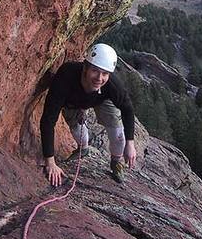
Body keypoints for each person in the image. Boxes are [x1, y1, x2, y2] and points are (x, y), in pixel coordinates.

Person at [40, 43, 136, 186]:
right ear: (85, 67)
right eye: (95, 71)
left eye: (105, 74)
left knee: (117, 133)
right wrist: (50, 162)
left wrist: (130, 143)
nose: (99, 78)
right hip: (72, 101)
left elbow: (127, 110)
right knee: (78, 130)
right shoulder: (66, 76)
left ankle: (116, 162)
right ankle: (83, 149)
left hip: (102, 98)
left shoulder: (112, 86)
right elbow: (48, 119)